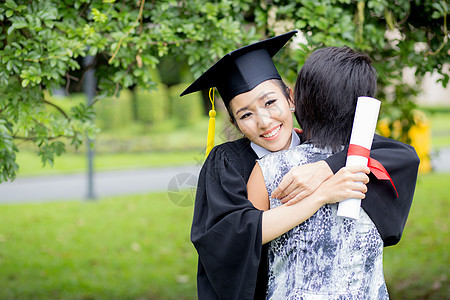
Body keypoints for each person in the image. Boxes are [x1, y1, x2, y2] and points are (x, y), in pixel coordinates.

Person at [180, 32, 419, 299]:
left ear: (291, 99)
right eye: (245, 115)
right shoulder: (227, 162)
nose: (263, 121)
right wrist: (320, 195)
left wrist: (326, 168)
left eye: (270, 102)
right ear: (235, 124)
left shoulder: (324, 143)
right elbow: (230, 236)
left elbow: (396, 153)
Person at [247, 46, 420, 299]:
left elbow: (248, 250)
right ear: (364, 109)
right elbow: (392, 233)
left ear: (298, 100)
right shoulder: (377, 168)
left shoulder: (268, 169)